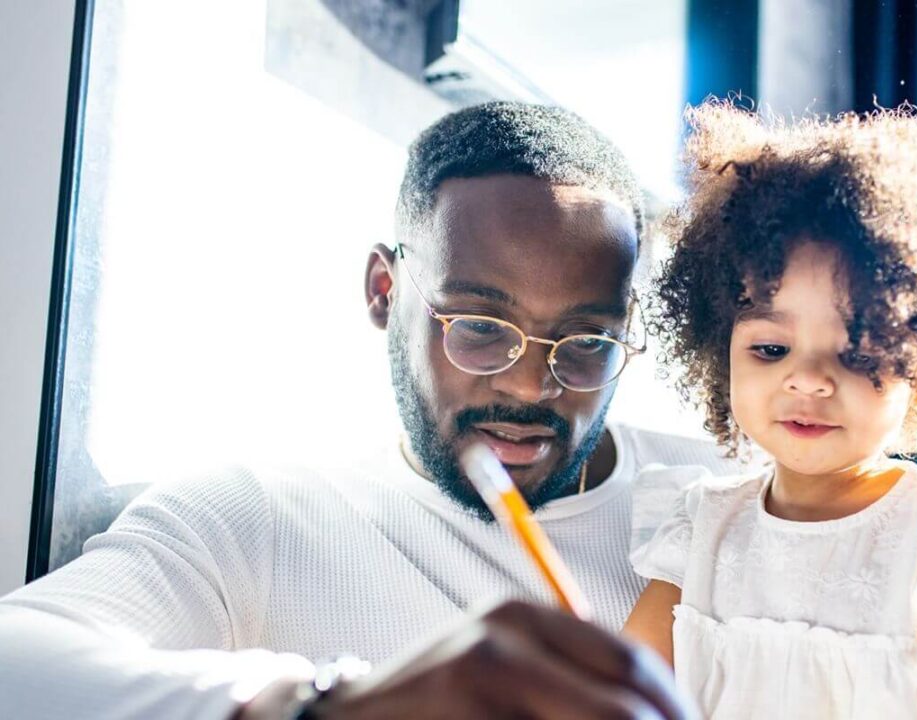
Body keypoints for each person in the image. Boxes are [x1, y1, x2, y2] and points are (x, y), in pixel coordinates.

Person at [0, 102, 724, 719]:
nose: (532, 387)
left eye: (586, 342)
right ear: (384, 290)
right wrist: (333, 703)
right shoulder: (263, 517)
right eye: (478, 328)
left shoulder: (731, 500)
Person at [621, 102, 917, 718]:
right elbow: (621, 688)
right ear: (720, 350)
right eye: (771, 349)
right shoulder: (698, 528)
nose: (808, 379)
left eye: (856, 356)